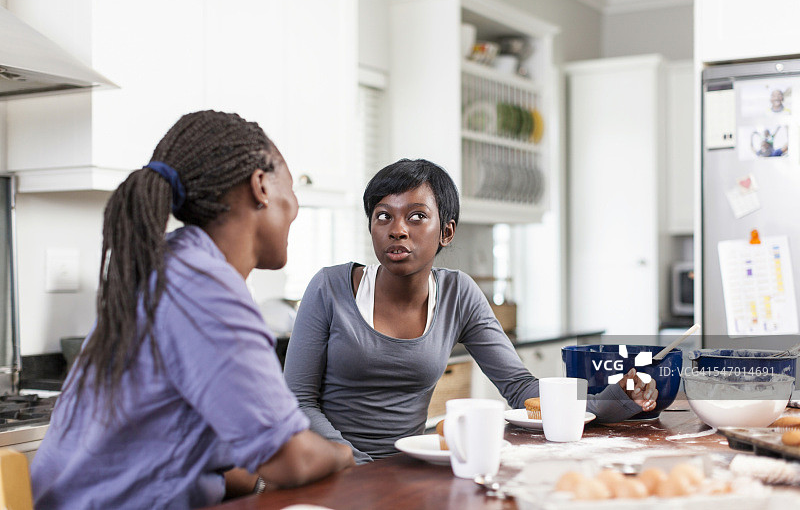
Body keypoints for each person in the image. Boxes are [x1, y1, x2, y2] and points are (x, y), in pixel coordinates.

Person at [30, 110, 354, 509]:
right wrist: (345, 456)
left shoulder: (166, 266)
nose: (296, 205)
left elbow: (185, 455)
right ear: (261, 186)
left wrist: (258, 480)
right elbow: (291, 459)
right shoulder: (204, 287)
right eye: (290, 183)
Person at [283, 158, 657, 464]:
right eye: (383, 216)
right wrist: (352, 462)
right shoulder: (329, 287)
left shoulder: (458, 293)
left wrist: (612, 401)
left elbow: (520, 388)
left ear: (445, 232)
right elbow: (297, 400)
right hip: (331, 468)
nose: (397, 229)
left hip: (411, 466)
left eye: (416, 216)